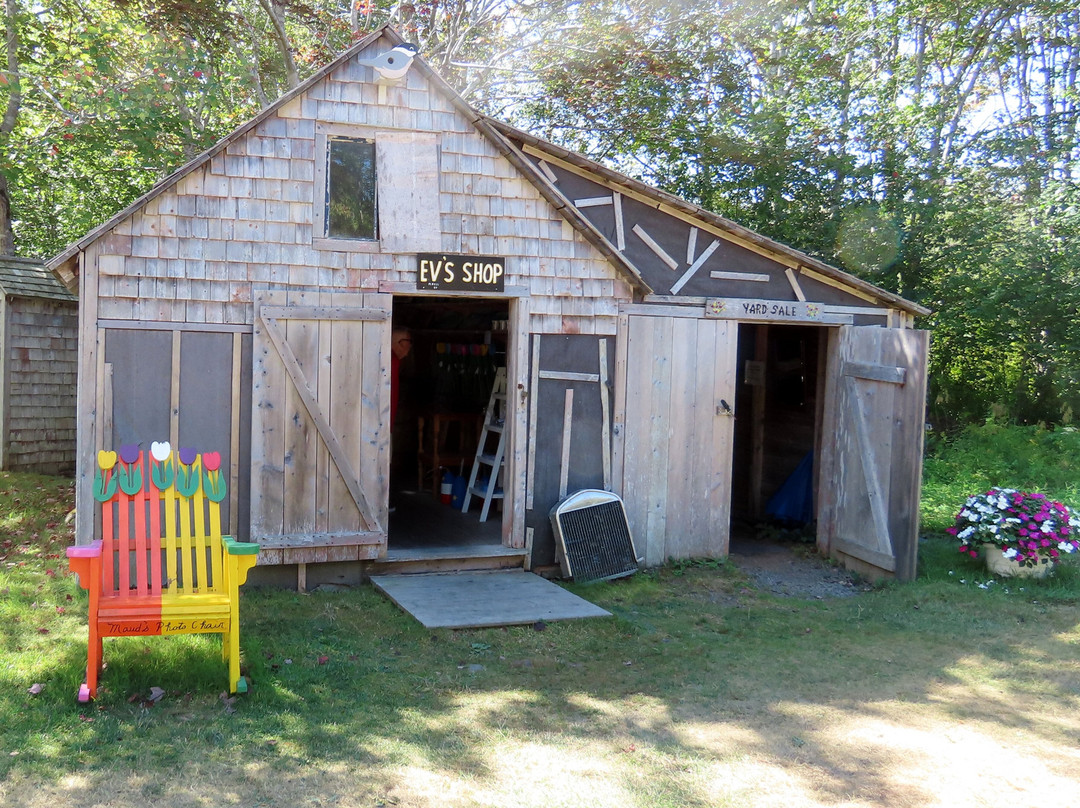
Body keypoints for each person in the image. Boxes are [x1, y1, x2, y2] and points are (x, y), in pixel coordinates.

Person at [390, 328, 412, 431]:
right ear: (400, 343)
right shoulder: (389, 360)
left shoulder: (394, 360)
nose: (406, 353)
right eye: (408, 343)